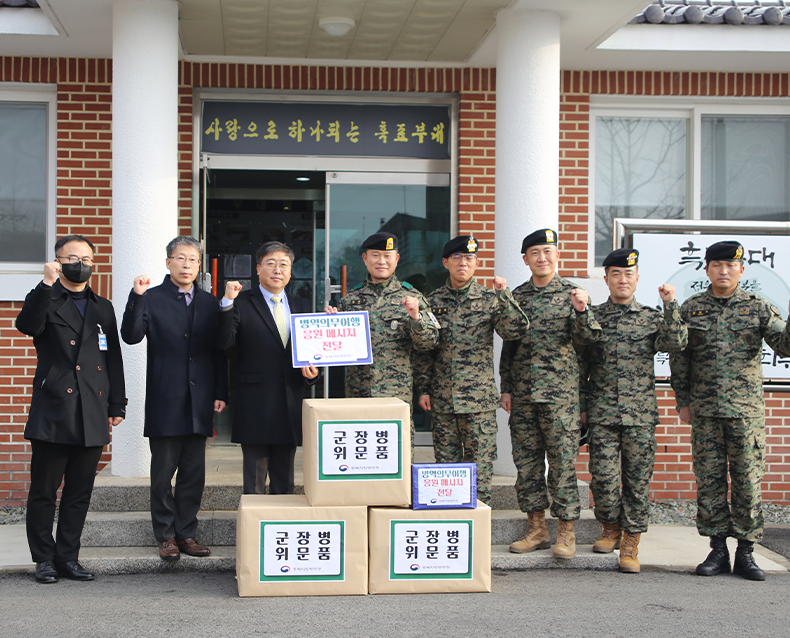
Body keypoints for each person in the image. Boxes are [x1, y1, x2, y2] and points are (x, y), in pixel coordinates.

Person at [670, 240, 790, 581]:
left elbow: (785, 346)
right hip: (706, 413)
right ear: (706, 269)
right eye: (717, 265)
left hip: (745, 413)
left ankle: (747, 553)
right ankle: (718, 550)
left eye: (730, 265)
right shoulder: (692, 309)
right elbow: (680, 359)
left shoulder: (758, 307)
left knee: (747, 483)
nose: (724, 271)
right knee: (709, 482)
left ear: (741, 269)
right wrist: (683, 401)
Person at [16, 235, 126, 583]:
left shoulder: (102, 306)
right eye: (72, 257)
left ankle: (68, 557)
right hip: (54, 408)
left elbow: (113, 360)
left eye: (87, 258)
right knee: (45, 492)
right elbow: (27, 326)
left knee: (79, 493)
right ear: (57, 261)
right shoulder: (45, 298)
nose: (81, 263)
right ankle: (44, 559)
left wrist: (116, 403)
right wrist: (45, 284)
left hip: (92, 408)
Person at [577, 248, 687, 573]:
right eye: (615, 274)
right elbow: (581, 366)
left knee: (637, 482)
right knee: (604, 480)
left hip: (639, 415)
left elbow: (677, 342)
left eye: (628, 274)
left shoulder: (652, 317)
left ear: (637, 278)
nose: (622, 280)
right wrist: (582, 408)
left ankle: (630, 544)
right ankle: (610, 528)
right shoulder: (593, 317)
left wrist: (670, 306)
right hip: (602, 414)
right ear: (607, 278)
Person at [121, 236, 228, 561]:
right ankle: (165, 535)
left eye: (193, 260)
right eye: (180, 259)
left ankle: (187, 534)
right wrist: (136, 296)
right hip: (165, 399)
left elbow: (219, 351)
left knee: (194, 473)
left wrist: (221, 392)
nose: (186, 265)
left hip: (200, 399)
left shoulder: (210, 302)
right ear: (168, 262)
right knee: (162, 473)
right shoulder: (151, 298)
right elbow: (131, 335)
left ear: (199, 265)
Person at [500, 228, 602, 559]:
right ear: (526, 259)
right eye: (535, 253)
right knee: (527, 465)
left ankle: (567, 532)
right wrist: (507, 388)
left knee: (561, 466)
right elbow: (509, 349)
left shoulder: (576, 295)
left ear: (558, 254)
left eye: (548, 251)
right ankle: (537, 529)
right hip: (525, 396)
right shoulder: (518, 297)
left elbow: (590, 345)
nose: (542, 258)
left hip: (563, 400)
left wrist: (583, 311)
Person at [414, 235, 529, 505]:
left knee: (480, 469)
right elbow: (425, 351)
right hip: (443, 401)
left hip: (479, 402)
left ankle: (478, 527)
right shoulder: (432, 301)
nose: (462, 263)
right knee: (446, 470)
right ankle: (450, 523)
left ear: (477, 263)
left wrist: (505, 296)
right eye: (456, 257)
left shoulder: (490, 299)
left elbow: (514, 331)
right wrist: (423, 389)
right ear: (445, 262)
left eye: (469, 258)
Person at [219, 241, 319, 495]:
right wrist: (226, 304)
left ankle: (280, 529)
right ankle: (254, 531)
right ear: (258, 268)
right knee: (254, 482)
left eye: (284, 264)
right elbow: (224, 342)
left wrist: (314, 372)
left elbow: (312, 353)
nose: (278, 270)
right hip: (255, 403)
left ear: (291, 270)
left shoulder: (302, 306)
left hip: (289, 402)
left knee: (285, 481)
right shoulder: (240, 303)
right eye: (271, 263)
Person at [325, 232, 439, 447]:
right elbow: (336, 352)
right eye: (375, 255)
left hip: (396, 395)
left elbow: (428, 344)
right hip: (358, 393)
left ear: (396, 259)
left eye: (387, 255)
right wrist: (331, 325)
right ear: (365, 259)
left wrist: (416, 317)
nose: (381, 261)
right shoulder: (350, 300)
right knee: (360, 452)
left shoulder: (413, 298)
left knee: (399, 455)